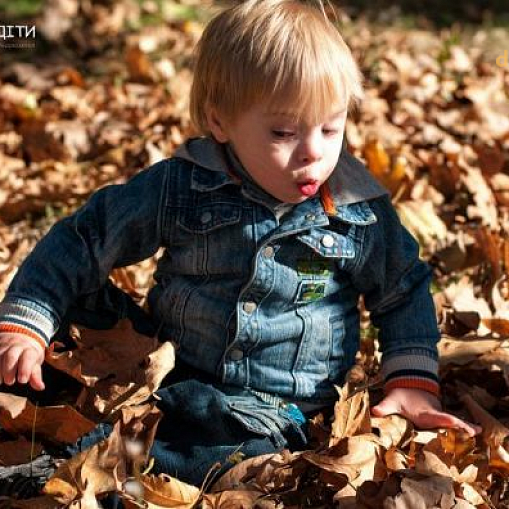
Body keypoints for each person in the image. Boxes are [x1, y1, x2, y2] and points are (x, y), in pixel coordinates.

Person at [0, 0, 479, 488]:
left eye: (332, 128)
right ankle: (37, 387)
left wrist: (412, 383)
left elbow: (403, 288)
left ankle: (80, 465)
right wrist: (29, 324)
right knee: (73, 298)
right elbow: (86, 238)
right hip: (165, 365)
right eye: (284, 132)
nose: (314, 151)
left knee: (239, 459)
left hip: (270, 411)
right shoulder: (184, 186)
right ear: (221, 122)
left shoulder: (357, 211)